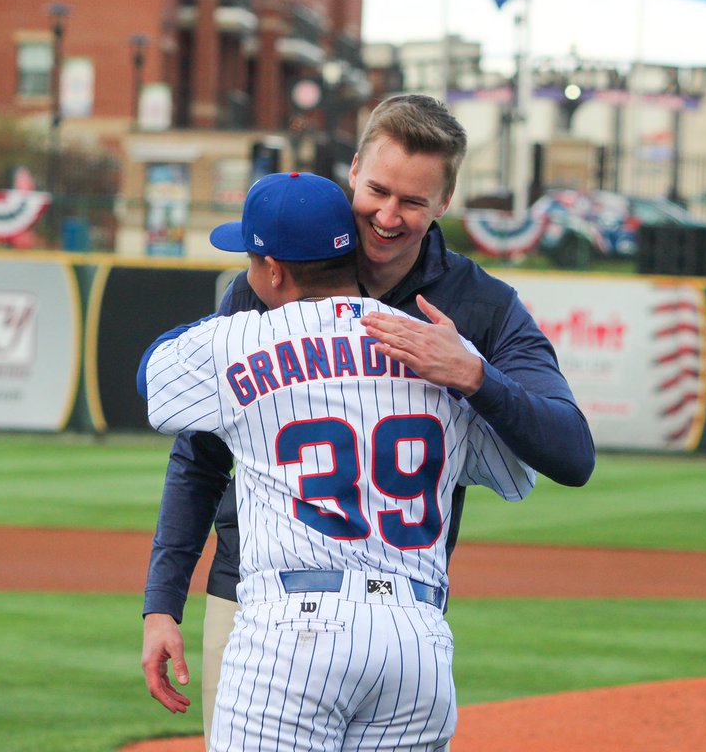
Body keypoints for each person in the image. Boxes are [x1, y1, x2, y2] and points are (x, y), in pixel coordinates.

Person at [140, 94, 596, 737]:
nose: (387, 215)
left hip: (387, 595)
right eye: (378, 189)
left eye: (413, 201)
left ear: (445, 201)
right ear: (353, 171)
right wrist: (163, 602)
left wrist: (476, 375)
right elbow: (199, 456)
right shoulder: (285, 268)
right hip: (253, 590)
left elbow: (573, 453)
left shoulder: (483, 307)